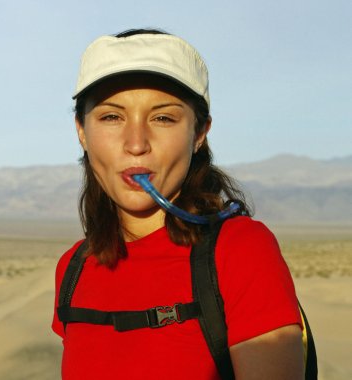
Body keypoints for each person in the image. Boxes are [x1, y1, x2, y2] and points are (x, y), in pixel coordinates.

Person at [52, 29, 305, 379]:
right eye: (112, 117)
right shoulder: (73, 269)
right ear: (81, 130)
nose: (136, 143)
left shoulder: (241, 251)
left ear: (199, 133)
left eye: (163, 118)